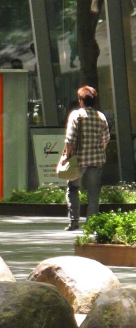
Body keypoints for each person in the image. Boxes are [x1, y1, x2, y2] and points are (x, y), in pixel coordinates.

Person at [64, 85, 110, 231]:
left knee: (73, 188)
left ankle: (74, 222)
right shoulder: (100, 117)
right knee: (94, 192)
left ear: (81, 100)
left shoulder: (76, 115)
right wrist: (97, 150)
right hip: (96, 161)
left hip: (78, 160)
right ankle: (92, 224)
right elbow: (106, 138)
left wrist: (66, 156)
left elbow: (70, 139)